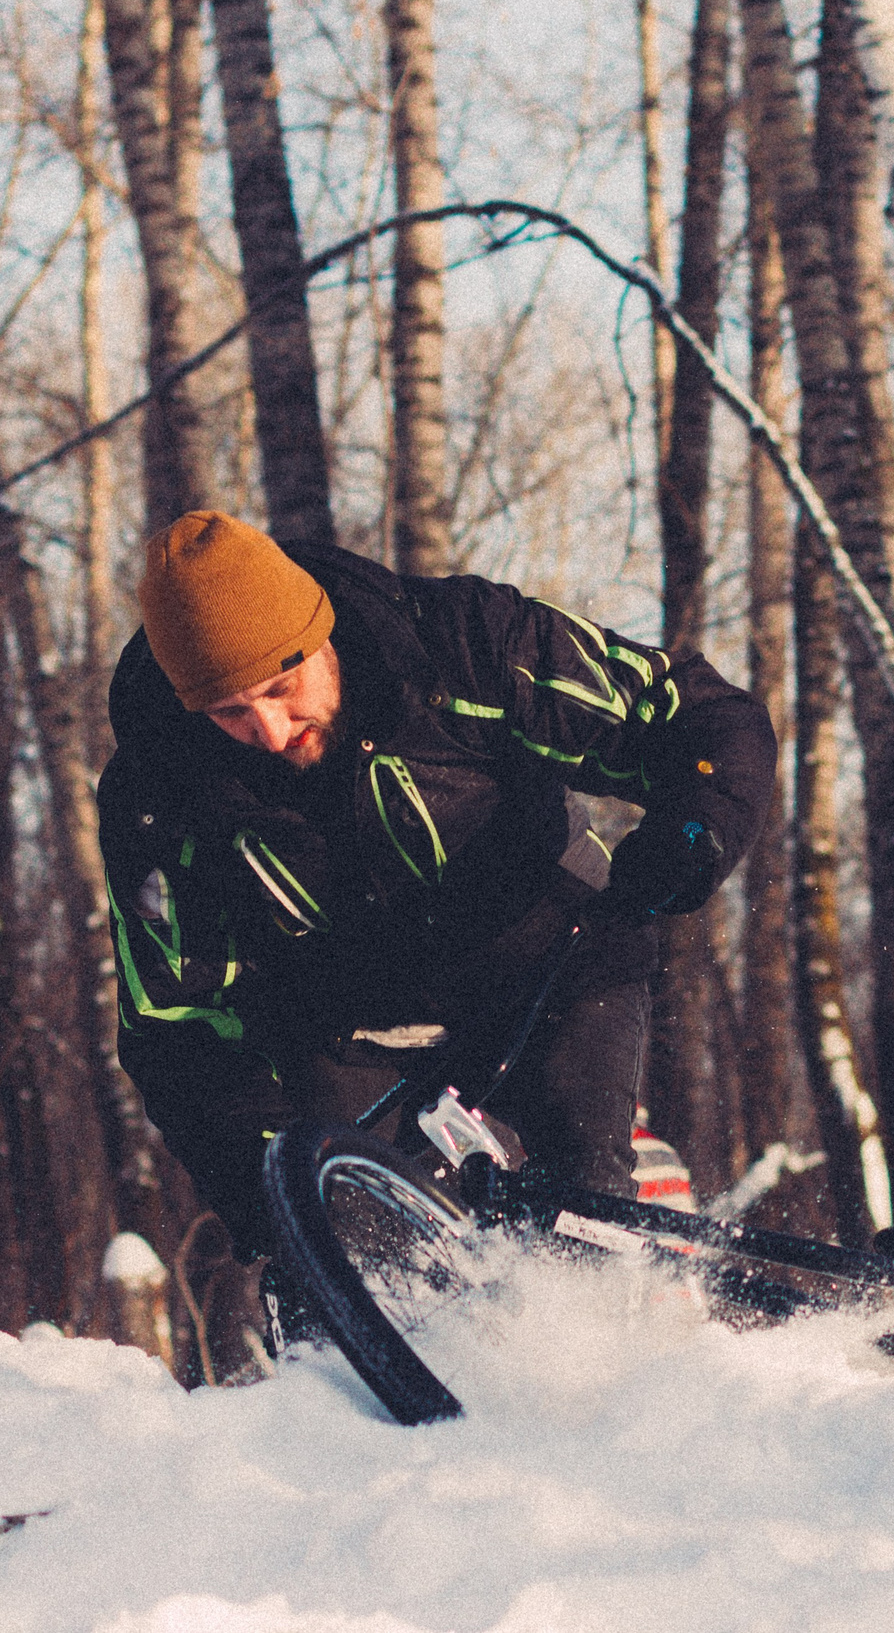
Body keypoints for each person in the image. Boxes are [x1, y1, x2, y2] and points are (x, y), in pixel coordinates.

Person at [97, 511, 775, 1265]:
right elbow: (177, 1026)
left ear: (321, 631)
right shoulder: (159, 799)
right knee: (355, 1250)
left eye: (284, 686)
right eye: (229, 711)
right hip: (347, 1026)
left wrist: (697, 829)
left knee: (578, 1211)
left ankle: (618, 1263)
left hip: (551, 960)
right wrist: (270, 1199)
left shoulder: (466, 646)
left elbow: (691, 714)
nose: (271, 728)